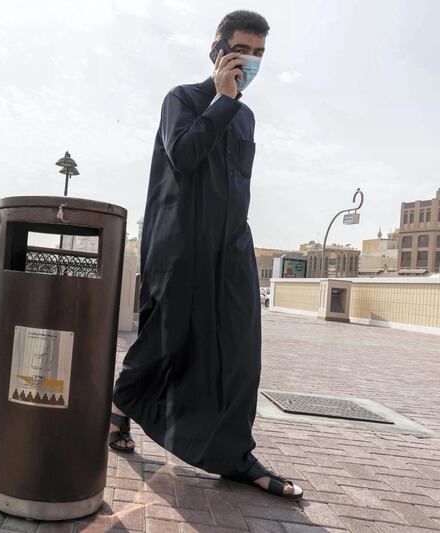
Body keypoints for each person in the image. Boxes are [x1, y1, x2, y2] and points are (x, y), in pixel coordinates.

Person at [110, 10, 303, 500]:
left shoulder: (247, 118)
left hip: (232, 245)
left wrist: (239, 239)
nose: (251, 61)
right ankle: (118, 406)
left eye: (260, 53)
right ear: (217, 50)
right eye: (243, 50)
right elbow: (185, 155)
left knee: (240, 352)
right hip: (180, 245)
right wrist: (222, 100)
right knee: (165, 341)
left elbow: (238, 185)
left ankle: (236, 455)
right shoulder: (183, 99)